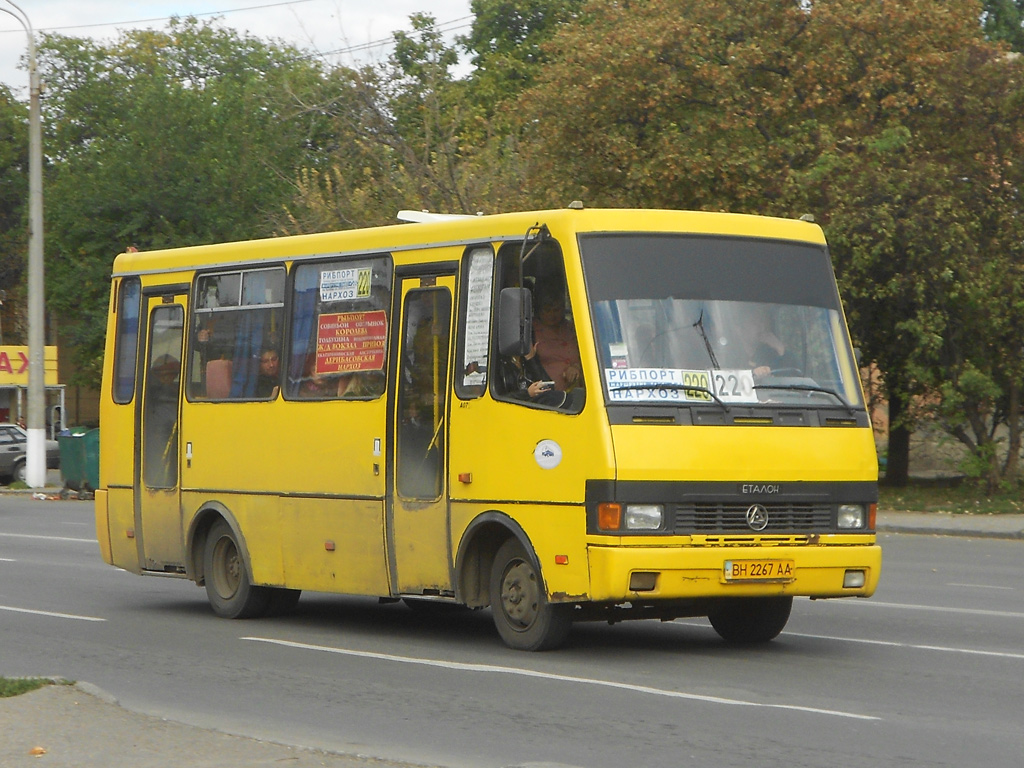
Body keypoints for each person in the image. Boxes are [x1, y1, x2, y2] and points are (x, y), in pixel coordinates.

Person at [532, 283, 582, 392]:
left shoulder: (573, 328)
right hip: (548, 396)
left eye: (556, 310)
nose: (552, 315)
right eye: (547, 310)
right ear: (539, 310)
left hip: (580, 393)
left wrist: (577, 367)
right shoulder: (531, 332)